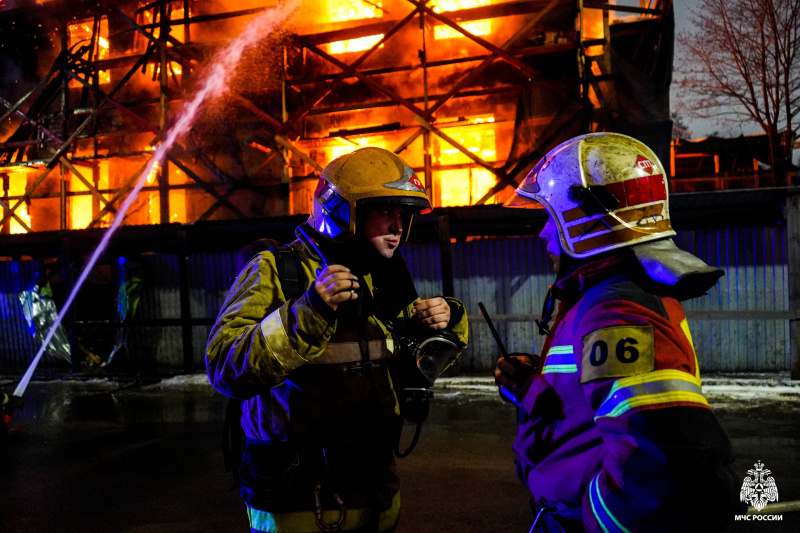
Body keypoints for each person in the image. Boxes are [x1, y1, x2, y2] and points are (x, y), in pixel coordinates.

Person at [206, 147, 468, 533]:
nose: (398, 226)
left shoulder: (385, 277)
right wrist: (308, 311)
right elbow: (225, 365)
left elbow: (415, 366)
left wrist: (447, 321)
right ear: (342, 212)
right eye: (385, 211)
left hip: (375, 491)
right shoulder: (275, 271)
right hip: (296, 497)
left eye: (403, 214)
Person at [495, 132, 744, 532]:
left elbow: (665, 464)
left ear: (584, 220)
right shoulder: (610, 297)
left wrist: (598, 522)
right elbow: (592, 415)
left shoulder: (615, 310)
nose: (543, 234)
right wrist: (531, 386)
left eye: (550, 218)